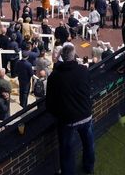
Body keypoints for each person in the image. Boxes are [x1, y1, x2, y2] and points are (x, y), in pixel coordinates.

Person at [46, 43, 95, 175]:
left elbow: (49, 102)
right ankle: (89, 167)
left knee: (67, 151)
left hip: (67, 120)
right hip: (86, 114)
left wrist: (57, 114)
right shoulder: (83, 70)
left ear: (61, 57)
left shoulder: (54, 77)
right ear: (74, 56)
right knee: (89, 144)